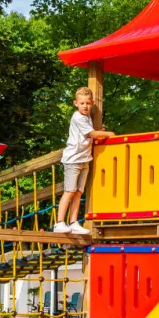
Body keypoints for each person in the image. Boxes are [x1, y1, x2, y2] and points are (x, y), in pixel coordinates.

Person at [54, 86, 107, 235]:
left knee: (78, 192)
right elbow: (91, 133)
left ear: (92, 103)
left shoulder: (87, 117)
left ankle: (73, 221)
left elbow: (89, 134)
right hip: (73, 160)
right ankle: (59, 223)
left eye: (88, 103)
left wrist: (99, 132)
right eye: (82, 103)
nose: (85, 106)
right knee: (69, 191)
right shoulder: (77, 117)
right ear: (75, 103)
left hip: (84, 160)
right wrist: (108, 134)